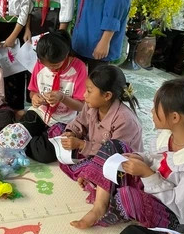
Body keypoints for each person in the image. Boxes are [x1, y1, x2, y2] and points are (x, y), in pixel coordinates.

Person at [72, 76, 184, 229]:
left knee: (128, 196)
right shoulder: (170, 135)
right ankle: (100, 207)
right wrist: (140, 158)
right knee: (113, 148)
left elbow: (178, 207)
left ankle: (108, 193)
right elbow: (156, 158)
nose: (151, 111)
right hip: (152, 187)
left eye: (156, 107)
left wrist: (147, 174)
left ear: (174, 117)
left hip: (172, 214)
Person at [59, 65, 143, 201]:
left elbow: (114, 154)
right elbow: (80, 121)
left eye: (89, 91)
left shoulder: (125, 120)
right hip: (93, 152)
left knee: (105, 181)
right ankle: (89, 175)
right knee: (58, 130)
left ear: (107, 96)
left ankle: (96, 184)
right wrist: (71, 132)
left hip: (119, 166)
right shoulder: (91, 104)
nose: (84, 95)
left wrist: (81, 145)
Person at [18, 31, 86, 163]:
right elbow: (32, 92)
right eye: (47, 65)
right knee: (16, 135)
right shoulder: (40, 64)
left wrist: (63, 98)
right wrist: (35, 98)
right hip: (40, 113)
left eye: (55, 65)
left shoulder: (79, 68)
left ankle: (29, 141)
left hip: (64, 120)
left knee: (45, 155)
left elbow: (82, 105)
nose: (51, 69)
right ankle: (31, 138)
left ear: (66, 55)